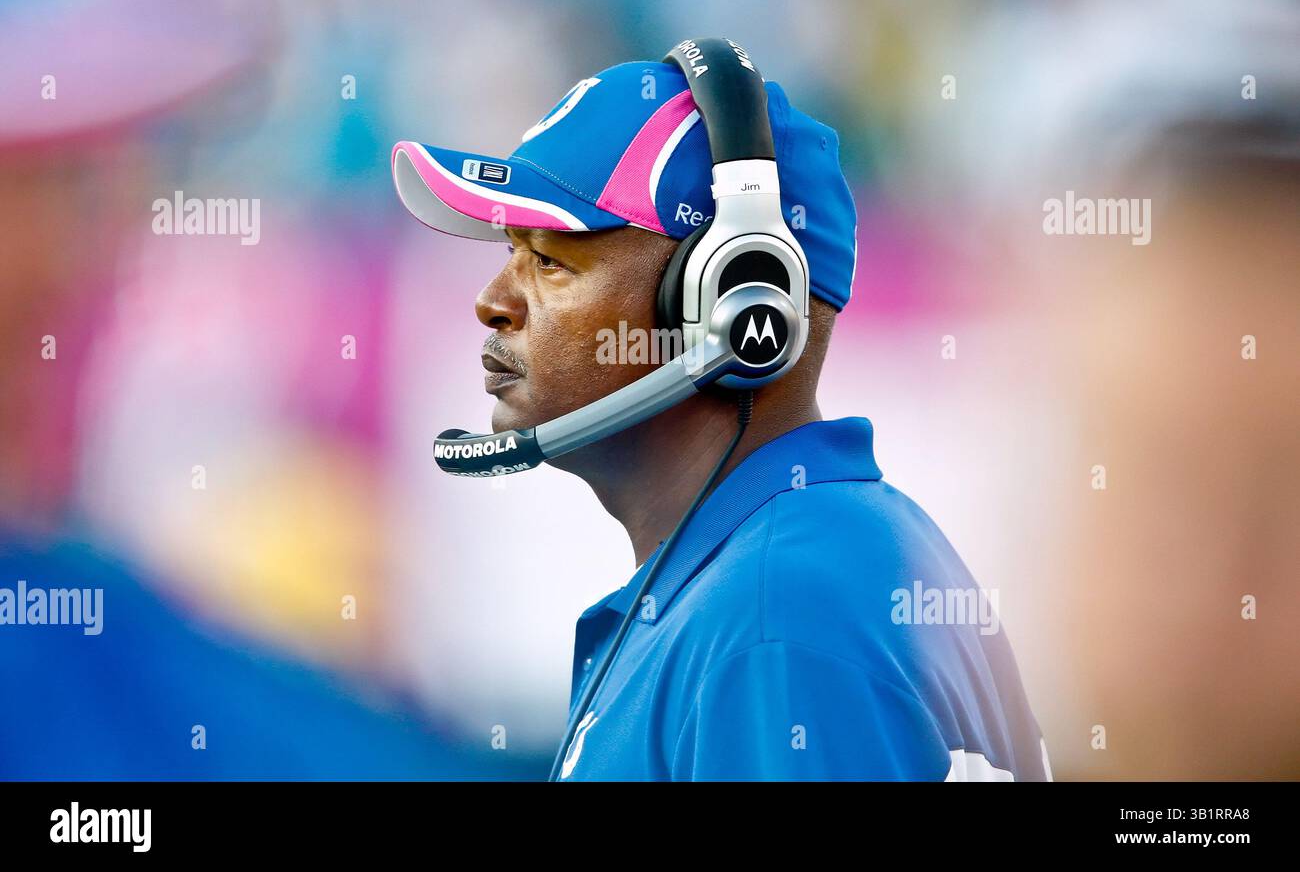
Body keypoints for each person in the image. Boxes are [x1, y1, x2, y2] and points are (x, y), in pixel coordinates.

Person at [392, 48, 1051, 781]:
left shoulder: (776, 622)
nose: (493, 300)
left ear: (736, 300)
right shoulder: (775, 578)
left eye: (550, 261)